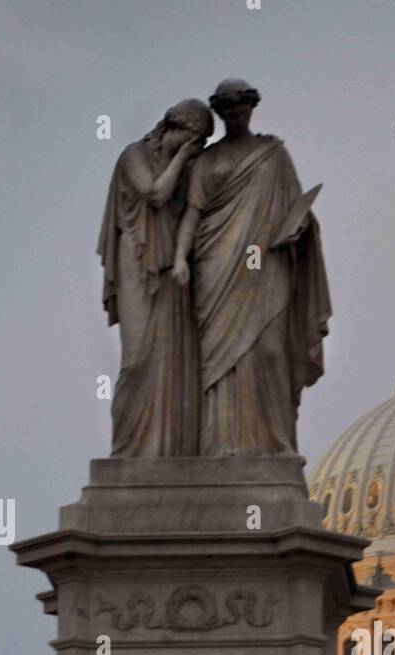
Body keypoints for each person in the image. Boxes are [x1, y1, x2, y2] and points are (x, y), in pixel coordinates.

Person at [172, 78, 331, 455]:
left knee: (268, 350)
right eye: (228, 112)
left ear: (252, 109)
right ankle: (220, 445)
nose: (235, 116)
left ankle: (271, 444)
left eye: (241, 110)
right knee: (219, 361)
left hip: (264, 262)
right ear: (220, 113)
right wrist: (180, 258)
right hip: (218, 265)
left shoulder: (273, 155)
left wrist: (301, 226)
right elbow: (193, 214)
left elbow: (295, 207)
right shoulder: (207, 160)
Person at [98, 99, 213, 456]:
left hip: (169, 271)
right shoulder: (134, 156)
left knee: (173, 360)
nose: (197, 150)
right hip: (136, 258)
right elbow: (154, 194)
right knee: (137, 359)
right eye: (194, 140)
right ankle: (128, 449)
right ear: (170, 129)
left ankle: (169, 451)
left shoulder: (188, 169)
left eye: (202, 144)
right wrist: (181, 159)